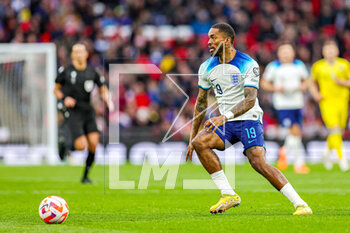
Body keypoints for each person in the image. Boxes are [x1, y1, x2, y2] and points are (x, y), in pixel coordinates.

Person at [185, 23, 312, 215]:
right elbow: (201, 103)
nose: (209, 42)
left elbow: (250, 100)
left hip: (248, 119)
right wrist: (191, 139)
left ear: (227, 40)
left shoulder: (248, 64)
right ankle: (228, 194)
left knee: (258, 162)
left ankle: (301, 204)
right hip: (226, 123)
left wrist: (223, 117)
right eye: (209, 38)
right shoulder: (206, 67)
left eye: (213, 37)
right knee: (200, 142)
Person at [54, 42, 113, 183]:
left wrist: (107, 99)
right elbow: (56, 90)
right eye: (76, 51)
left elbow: (102, 88)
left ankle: (85, 176)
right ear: (72, 55)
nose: (79, 54)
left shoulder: (93, 72)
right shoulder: (66, 71)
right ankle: (65, 145)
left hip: (87, 110)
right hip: (73, 111)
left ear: (86, 54)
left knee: (93, 143)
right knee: (81, 146)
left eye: (82, 51)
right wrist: (64, 98)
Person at [260, 42, 310, 174]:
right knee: (294, 130)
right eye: (283, 51)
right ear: (278, 53)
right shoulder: (274, 66)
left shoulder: (299, 65)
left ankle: (291, 157)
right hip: (283, 104)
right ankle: (296, 161)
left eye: (288, 51)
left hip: (297, 102)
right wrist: (275, 88)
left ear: (293, 53)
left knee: (296, 132)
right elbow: (264, 83)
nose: (286, 53)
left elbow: (306, 80)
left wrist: (303, 86)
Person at [309, 40, 350, 172]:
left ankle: (326, 153)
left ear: (337, 51)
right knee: (335, 129)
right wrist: (315, 94)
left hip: (343, 101)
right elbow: (311, 82)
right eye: (327, 50)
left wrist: (343, 82)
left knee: (339, 131)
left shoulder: (344, 64)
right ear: (323, 52)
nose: (330, 52)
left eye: (332, 49)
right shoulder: (318, 66)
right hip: (327, 101)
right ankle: (342, 159)